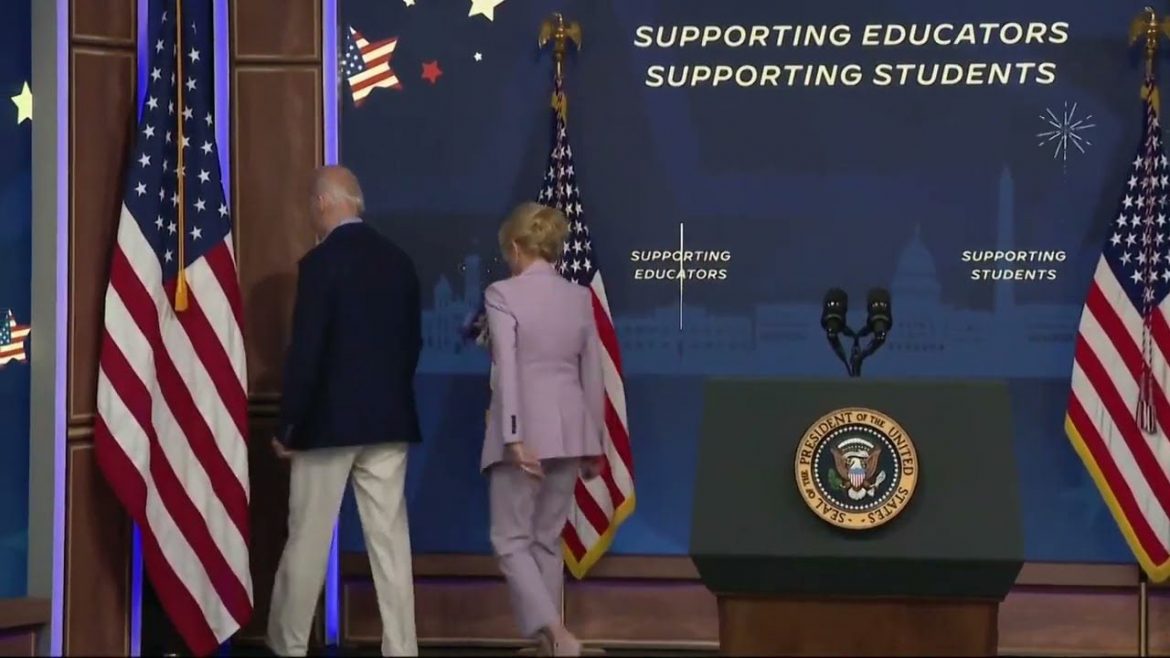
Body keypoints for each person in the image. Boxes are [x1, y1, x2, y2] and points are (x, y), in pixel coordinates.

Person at [267, 165, 421, 657]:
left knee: (308, 541)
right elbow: (412, 345)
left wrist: (289, 425)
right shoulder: (400, 261)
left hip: (327, 425)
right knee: (390, 543)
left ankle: (289, 646)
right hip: (389, 419)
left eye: (311, 205)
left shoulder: (321, 264)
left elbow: (306, 353)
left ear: (323, 202)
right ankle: (402, 649)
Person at [482, 202, 606, 657]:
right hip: (572, 433)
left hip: (526, 434)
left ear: (516, 247)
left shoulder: (502, 293)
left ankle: (556, 634)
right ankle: (550, 645)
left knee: (510, 540)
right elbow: (593, 374)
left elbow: (509, 370)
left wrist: (514, 435)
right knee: (546, 540)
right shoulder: (580, 297)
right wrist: (594, 443)